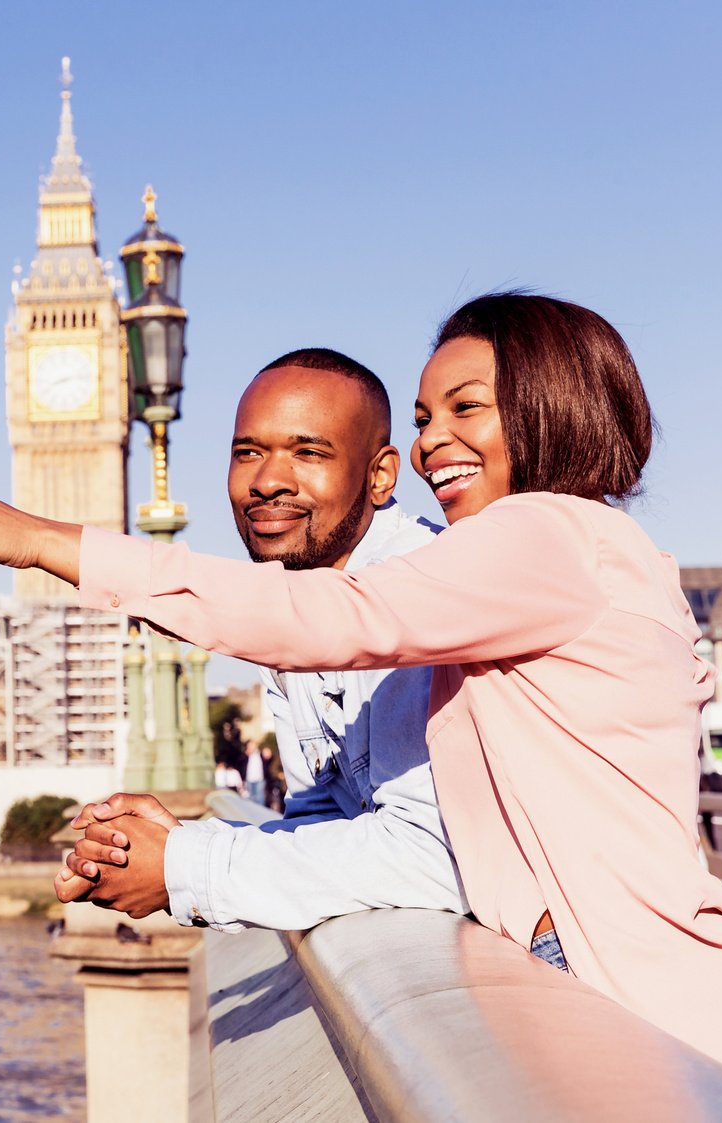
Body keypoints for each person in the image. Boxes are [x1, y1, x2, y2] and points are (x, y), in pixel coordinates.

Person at [0, 292, 722, 1102]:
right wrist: (196, 846)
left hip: (657, 1011)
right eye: (428, 414)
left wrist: (41, 540)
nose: (437, 438)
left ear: (553, 407)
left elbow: (323, 623)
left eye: (467, 409)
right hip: (614, 996)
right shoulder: (528, 563)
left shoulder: (547, 534)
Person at [55, 348, 466, 933]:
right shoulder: (298, 591)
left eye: (308, 452)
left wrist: (181, 867)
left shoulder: (424, 594)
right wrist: (168, 843)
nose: (269, 481)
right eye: (248, 453)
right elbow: (325, 813)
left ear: (380, 476)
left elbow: (436, 856)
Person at [242, 737, 266, 806]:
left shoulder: (261, 754)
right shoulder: (246, 757)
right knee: (250, 798)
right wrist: (245, 754)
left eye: (252, 745)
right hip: (249, 779)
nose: (251, 747)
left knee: (260, 797)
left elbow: (269, 760)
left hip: (259, 779)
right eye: (249, 746)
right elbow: (240, 764)